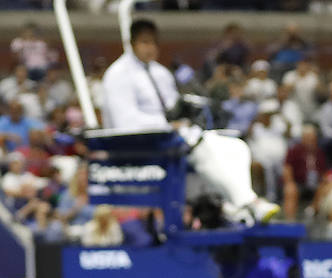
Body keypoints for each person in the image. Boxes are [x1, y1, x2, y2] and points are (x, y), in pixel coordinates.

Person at [100, 19, 279, 226]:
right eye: (144, 42)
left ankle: (241, 204)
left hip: (171, 138)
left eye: (154, 43)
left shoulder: (161, 73)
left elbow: (173, 109)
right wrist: (168, 125)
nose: (151, 48)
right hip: (139, 146)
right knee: (203, 149)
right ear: (131, 43)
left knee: (236, 146)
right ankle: (248, 204)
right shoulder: (117, 75)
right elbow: (125, 123)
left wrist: (187, 115)